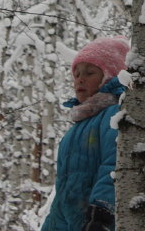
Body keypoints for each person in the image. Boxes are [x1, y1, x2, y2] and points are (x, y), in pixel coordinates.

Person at [41, 36, 129, 231]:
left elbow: (113, 165)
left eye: (90, 72)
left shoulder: (113, 116)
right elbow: (63, 189)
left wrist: (101, 213)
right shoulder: (74, 129)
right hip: (66, 221)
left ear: (110, 76)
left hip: (96, 220)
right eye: (77, 73)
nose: (80, 78)